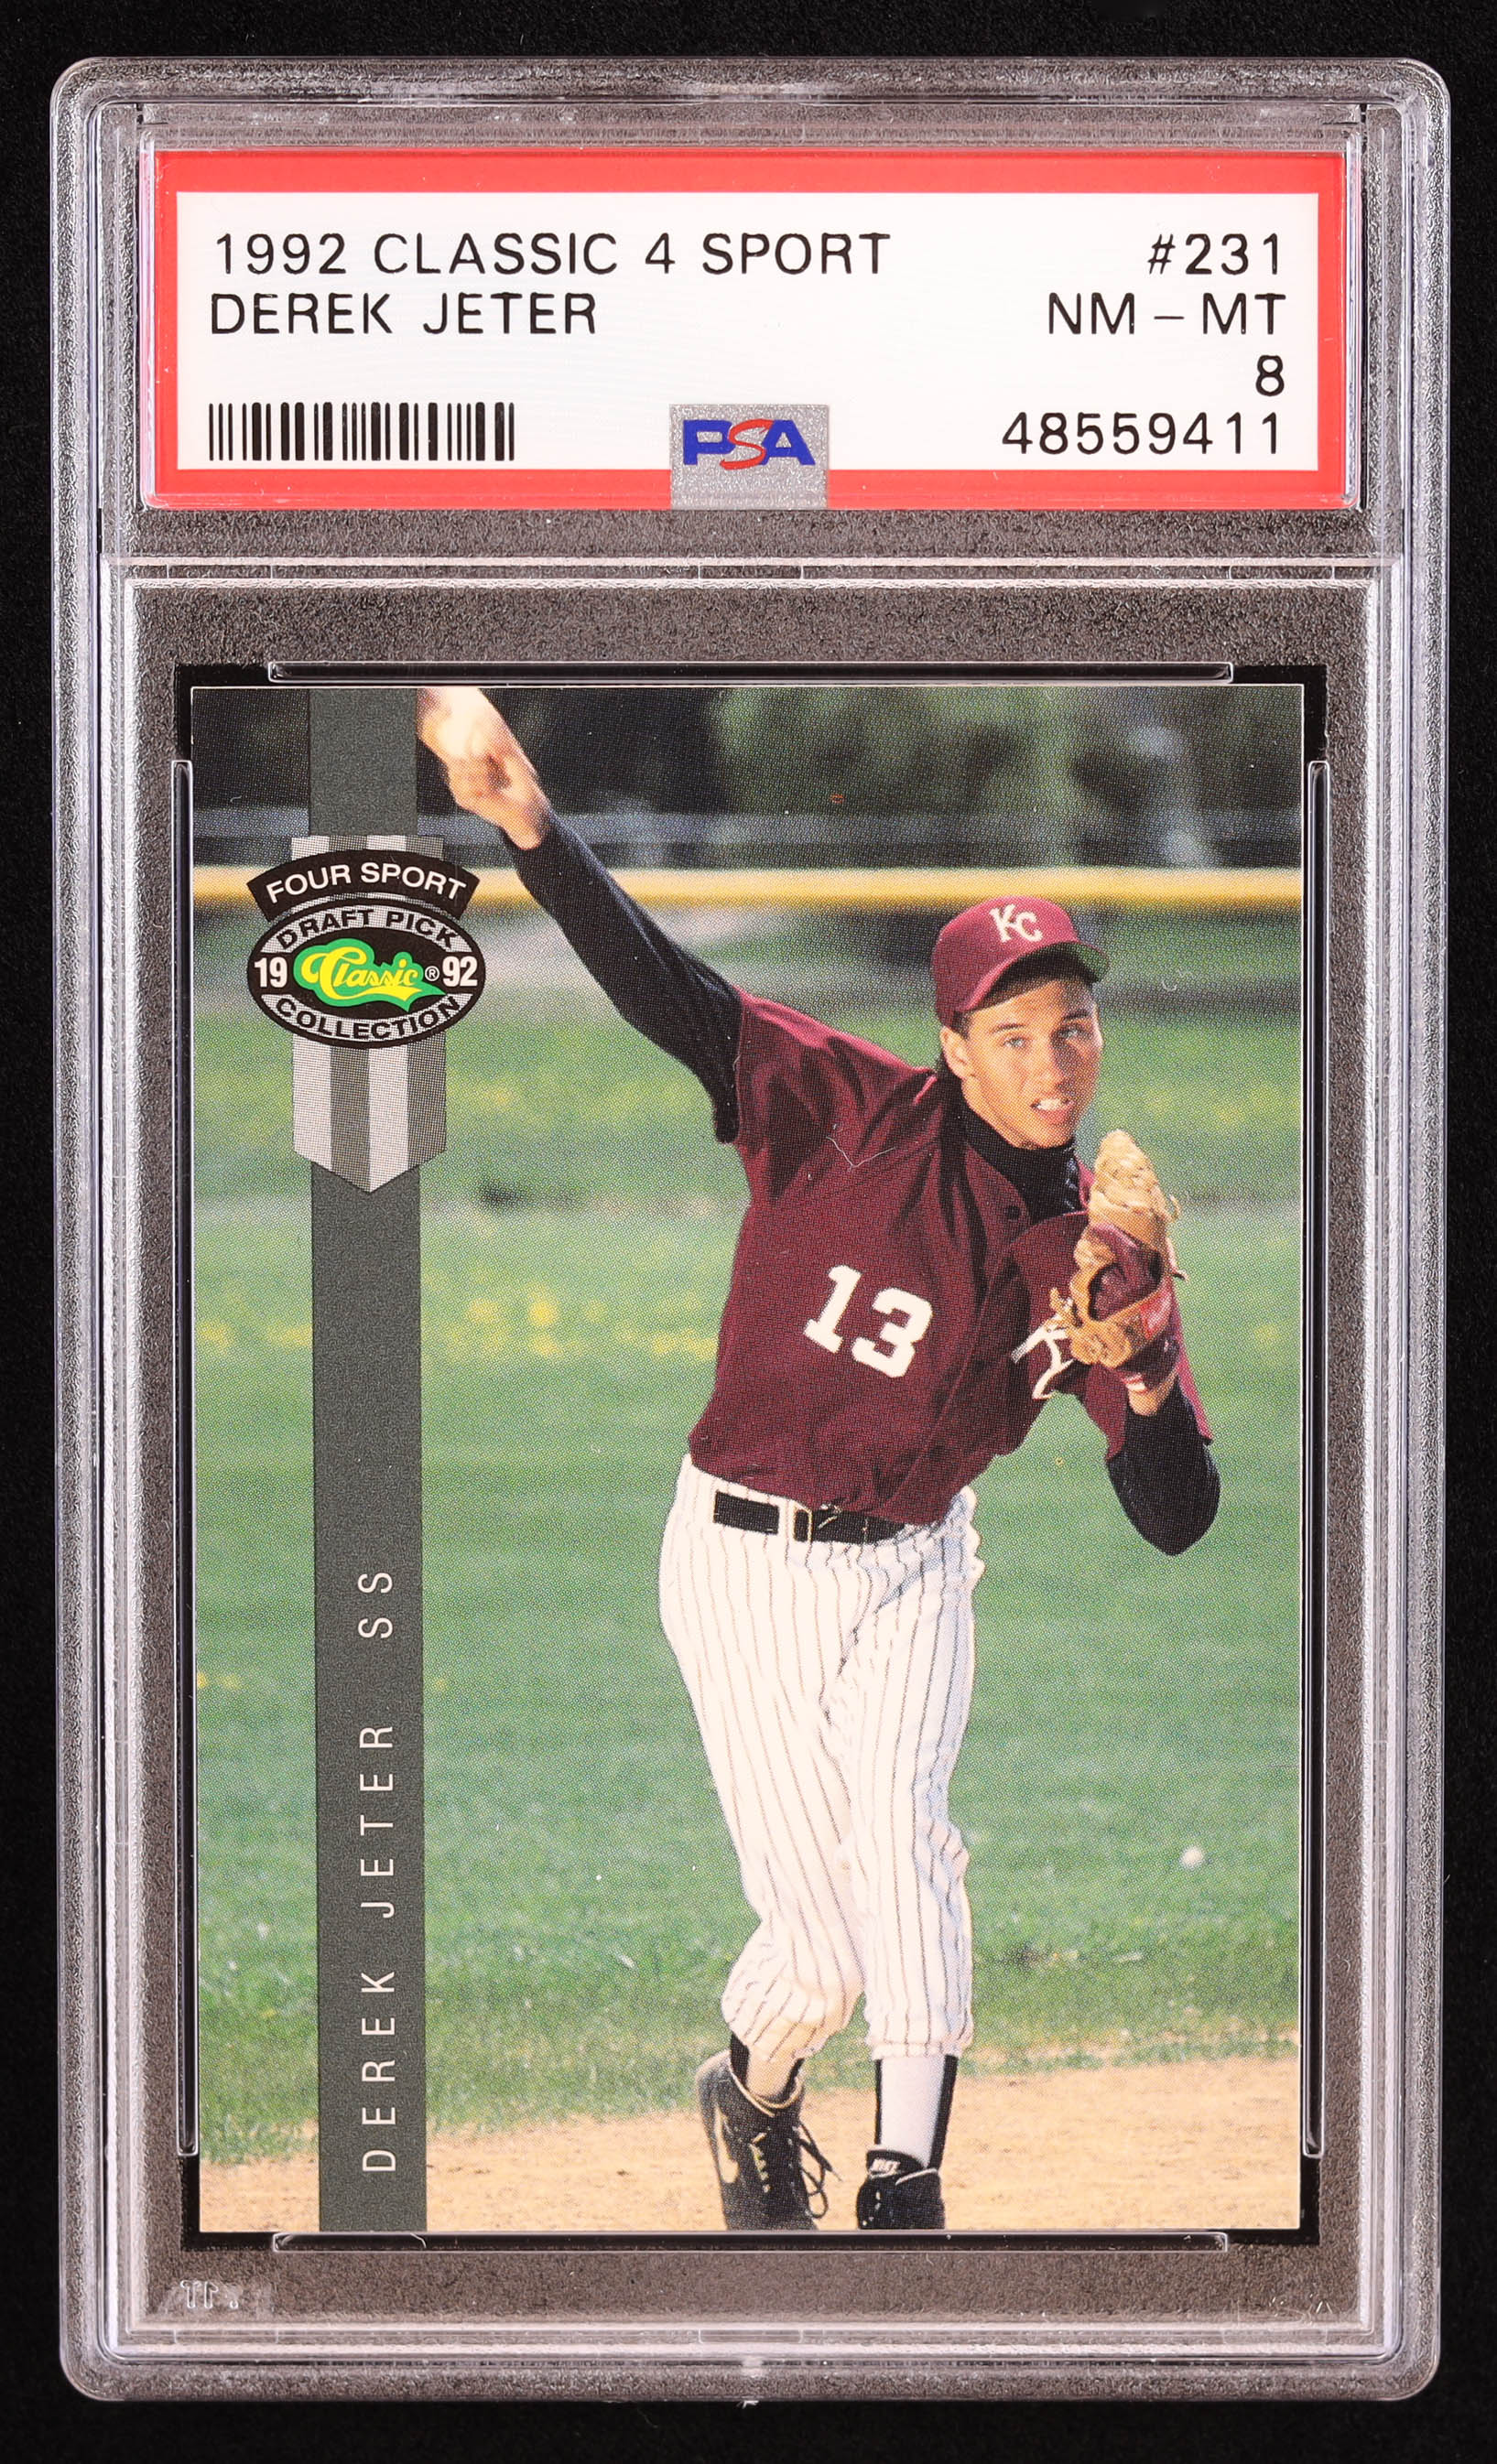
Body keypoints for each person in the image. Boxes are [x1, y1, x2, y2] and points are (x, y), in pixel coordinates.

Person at [418, 685, 1220, 2233]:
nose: (1053, 1061)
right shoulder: (838, 1106)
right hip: (742, 1566)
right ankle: (757, 2084)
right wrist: (530, 824)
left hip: (917, 1564)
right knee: (821, 1957)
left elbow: (1177, 1514)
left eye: (1073, 1025)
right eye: (1013, 1034)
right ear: (954, 1045)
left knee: (909, 1836)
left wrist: (1145, 1363)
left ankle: (909, 2172)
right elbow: (665, 987)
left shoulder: (1095, 1260)